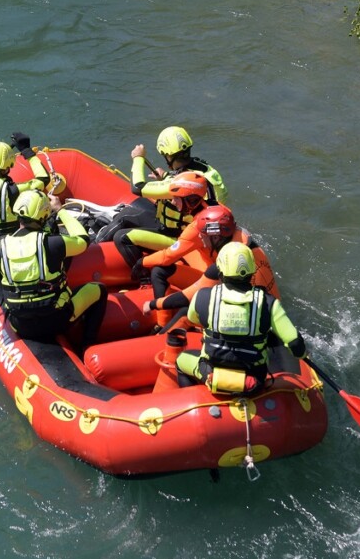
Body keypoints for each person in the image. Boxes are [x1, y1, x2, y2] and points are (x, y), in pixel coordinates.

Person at [0, 189, 108, 352]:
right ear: (44, 216)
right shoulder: (55, 244)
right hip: (57, 321)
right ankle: (88, 344)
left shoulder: (0, 249)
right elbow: (83, 240)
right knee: (98, 290)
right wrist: (60, 210)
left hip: (21, 327)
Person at [169, 242, 306, 394]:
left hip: (211, 374)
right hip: (253, 382)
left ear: (220, 271)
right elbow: (295, 343)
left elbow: (192, 318)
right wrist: (302, 354)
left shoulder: (202, 297)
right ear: (252, 271)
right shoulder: (269, 303)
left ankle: (195, 400)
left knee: (181, 360)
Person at [138, 204, 280, 329]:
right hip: (267, 308)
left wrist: (153, 304)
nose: (199, 238)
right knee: (161, 272)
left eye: (203, 235)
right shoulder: (245, 248)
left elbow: (186, 297)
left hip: (250, 318)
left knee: (184, 313)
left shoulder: (224, 265)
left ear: (216, 237)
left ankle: (161, 342)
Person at [104, 125, 228, 268]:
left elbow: (137, 187)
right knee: (128, 213)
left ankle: (142, 276)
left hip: (179, 236)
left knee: (122, 231)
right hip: (192, 229)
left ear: (169, 155)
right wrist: (165, 176)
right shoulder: (206, 170)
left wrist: (138, 158)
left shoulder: (179, 183)